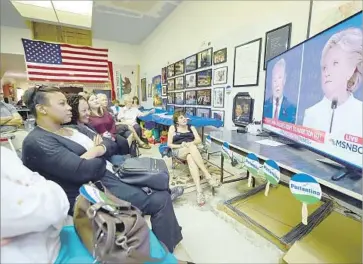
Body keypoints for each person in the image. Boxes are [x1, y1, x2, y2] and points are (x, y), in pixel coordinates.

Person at [21, 86, 183, 252]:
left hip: (107, 173)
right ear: (42, 109)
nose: (69, 107)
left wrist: (95, 151)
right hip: (90, 191)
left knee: (159, 182)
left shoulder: (74, 128)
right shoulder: (38, 141)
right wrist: (98, 151)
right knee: (161, 199)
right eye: (62, 103)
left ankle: (164, 240)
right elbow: (83, 171)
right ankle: (165, 252)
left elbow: (110, 143)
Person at [0, 146, 93, 263]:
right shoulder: (37, 142)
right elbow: (53, 207)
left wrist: (101, 148)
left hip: (60, 240)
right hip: (50, 254)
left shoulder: (4, 155)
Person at [303, 28, 362, 136]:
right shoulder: (311, 113)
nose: (327, 72)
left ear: (351, 69)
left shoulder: (360, 113)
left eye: (335, 63)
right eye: (324, 67)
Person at [167, 111, 220, 206]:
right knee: (191, 148)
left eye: (184, 117)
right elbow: (169, 144)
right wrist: (181, 145)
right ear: (177, 121)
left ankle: (199, 191)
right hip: (179, 150)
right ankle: (207, 175)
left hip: (191, 150)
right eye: (181, 118)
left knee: (191, 157)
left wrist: (191, 143)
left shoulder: (191, 127)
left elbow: (199, 140)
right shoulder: (173, 128)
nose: (184, 119)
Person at [66, 94, 130, 156]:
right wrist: (100, 147)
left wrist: (109, 137)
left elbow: (112, 123)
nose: (88, 113)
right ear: (74, 112)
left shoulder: (88, 125)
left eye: (88, 109)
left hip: (110, 138)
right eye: (84, 110)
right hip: (105, 158)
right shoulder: (74, 132)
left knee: (124, 141)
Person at [263, 58, 297, 123]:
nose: (277, 84)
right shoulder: (265, 106)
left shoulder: (292, 109)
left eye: (280, 78)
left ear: (284, 80)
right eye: (274, 79)